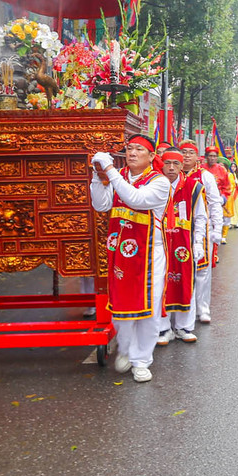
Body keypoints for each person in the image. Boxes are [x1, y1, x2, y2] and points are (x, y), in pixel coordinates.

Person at [90, 135, 170, 383]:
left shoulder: (160, 182)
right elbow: (102, 205)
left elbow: (136, 199)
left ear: (151, 156)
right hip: (122, 251)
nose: (132, 153)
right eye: (129, 149)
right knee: (121, 303)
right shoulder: (119, 175)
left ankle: (142, 360)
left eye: (139, 149)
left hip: (149, 253)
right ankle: (126, 349)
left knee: (148, 307)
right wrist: (97, 176)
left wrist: (111, 171)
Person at [157, 147, 201, 344]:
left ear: (183, 165)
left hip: (184, 243)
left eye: (176, 163)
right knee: (161, 283)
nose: (171, 167)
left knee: (185, 282)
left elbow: (200, 218)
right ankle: (163, 328)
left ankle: (183, 326)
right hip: (159, 242)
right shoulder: (153, 185)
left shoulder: (193, 187)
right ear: (161, 164)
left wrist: (199, 242)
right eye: (167, 163)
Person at [179, 140, 223, 325]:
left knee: (202, 270)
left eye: (190, 152)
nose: (187, 156)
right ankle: (182, 309)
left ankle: (202, 308)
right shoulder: (172, 174)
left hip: (202, 229)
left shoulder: (205, 176)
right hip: (179, 229)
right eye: (184, 152)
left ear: (197, 157)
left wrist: (217, 229)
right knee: (180, 270)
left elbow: (215, 203)